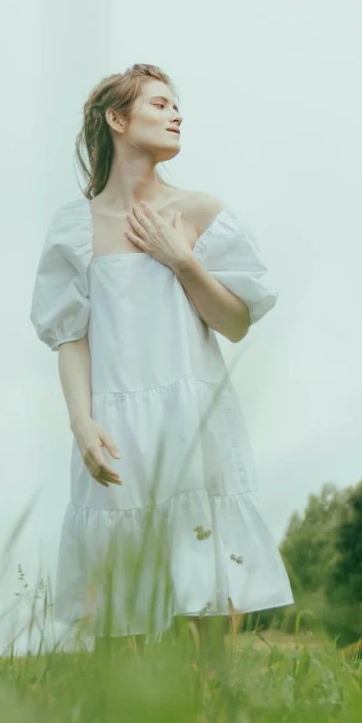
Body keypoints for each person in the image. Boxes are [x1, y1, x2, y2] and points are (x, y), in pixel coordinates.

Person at [30, 62, 294, 647]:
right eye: (158, 104)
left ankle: (213, 721)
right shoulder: (75, 228)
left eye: (177, 106)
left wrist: (183, 260)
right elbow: (69, 336)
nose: (175, 114)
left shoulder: (199, 213)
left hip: (189, 419)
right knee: (118, 606)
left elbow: (236, 323)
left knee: (202, 591)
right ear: (117, 119)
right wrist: (81, 422)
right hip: (116, 424)